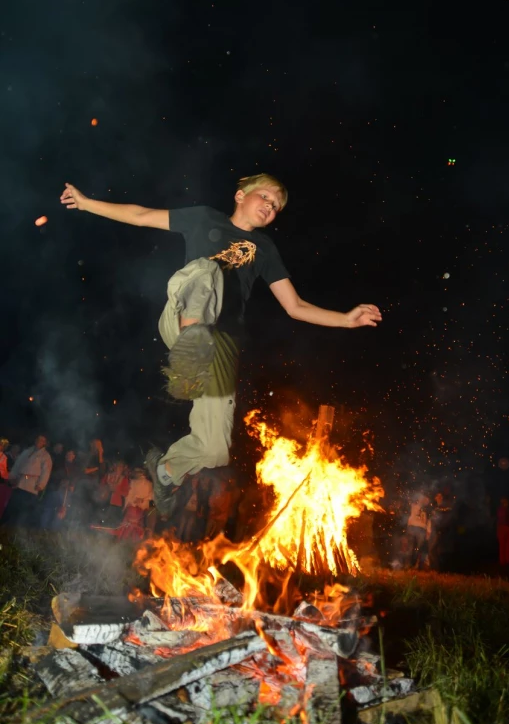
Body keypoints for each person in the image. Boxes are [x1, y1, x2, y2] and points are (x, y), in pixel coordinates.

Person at [60, 174, 381, 517]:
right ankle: (190, 343)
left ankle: (165, 471)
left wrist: (345, 319)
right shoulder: (203, 219)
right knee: (207, 272)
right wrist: (86, 202)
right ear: (241, 195)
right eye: (266, 198)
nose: (270, 208)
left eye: (276, 207)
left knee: (214, 450)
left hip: (221, 346)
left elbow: (295, 306)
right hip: (183, 316)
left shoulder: (265, 249)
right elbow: (141, 215)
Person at [2, 435, 52, 527]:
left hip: (31, 486)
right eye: (38, 439)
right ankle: (4, 526)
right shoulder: (27, 451)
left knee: (24, 512)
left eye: (42, 440)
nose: (39, 441)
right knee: (12, 507)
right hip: (19, 483)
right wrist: (12, 476)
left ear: (45, 443)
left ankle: (16, 531)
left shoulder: (45, 456)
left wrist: (41, 484)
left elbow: (46, 472)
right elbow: (17, 464)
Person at [406, 491, 430, 568]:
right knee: (411, 547)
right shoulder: (413, 505)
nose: (424, 500)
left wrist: (428, 531)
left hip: (422, 529)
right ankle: (410, 564)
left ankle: (418, 565)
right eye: (422, 498)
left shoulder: (427, 510)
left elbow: (429, 521)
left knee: (419, 548)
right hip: (412, 527)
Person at [496, 496, 509, 567]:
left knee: (508, 545)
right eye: (504, 501)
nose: (506, 503)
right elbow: (501, 518)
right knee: (502, 545)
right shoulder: (501, 510)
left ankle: (507, 560)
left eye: (506, 501)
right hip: (502, 528)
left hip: (508, 528)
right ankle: (503, 561)